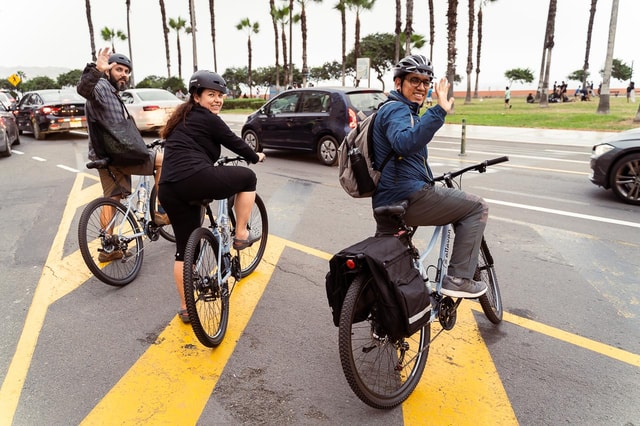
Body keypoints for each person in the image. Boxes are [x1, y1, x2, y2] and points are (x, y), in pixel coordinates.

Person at [371, 54, 488, 299]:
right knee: (476, 207)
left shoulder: (397, 111)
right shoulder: (397, 109)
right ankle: (458, 279)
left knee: (389, 261)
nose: (421, 87)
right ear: (398, 83)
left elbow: (405, 157)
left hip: (385, 200)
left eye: (426, 82)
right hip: (408, 196)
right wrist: (440, 111)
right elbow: (404, 143)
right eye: (414, 80)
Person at [158, 70, 266, 323]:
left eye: (220, 96)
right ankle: (240, 234)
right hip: (195, 179)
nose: (217, 100)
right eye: (211, 95)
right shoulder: (207, 118)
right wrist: (255, 156)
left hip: (169, 188)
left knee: (184, 250)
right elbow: (234, 142)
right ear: (196, 97)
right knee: (248, 178)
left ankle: (186, 307)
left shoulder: (180, 121)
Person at [77, 47, 168, 263]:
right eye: (118, 69)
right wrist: (95, 69)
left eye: (127, 71)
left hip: (104, 156)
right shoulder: (99, 87)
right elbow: (84, 89)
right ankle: (162, 212)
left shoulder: (113, 94)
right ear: (108, 70)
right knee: (164, 160)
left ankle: (109, 248)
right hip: (119, 155)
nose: (123, 75)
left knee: (112, 199)